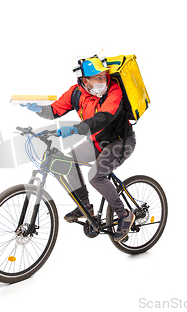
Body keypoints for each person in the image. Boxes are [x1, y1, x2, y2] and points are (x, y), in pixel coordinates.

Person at [20, 55, 136, 242]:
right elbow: (54, 110)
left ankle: (124, 215)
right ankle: (85, 205)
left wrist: (76, 129)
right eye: (97, 78)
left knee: (96, 176)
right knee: (67, 161)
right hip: (96, 141)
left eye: (103, 76)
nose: (103, 80)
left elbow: (104, 117)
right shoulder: (76, 93)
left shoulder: (114, 90)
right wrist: (38, 109)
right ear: (85, 81)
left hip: (120, 141)